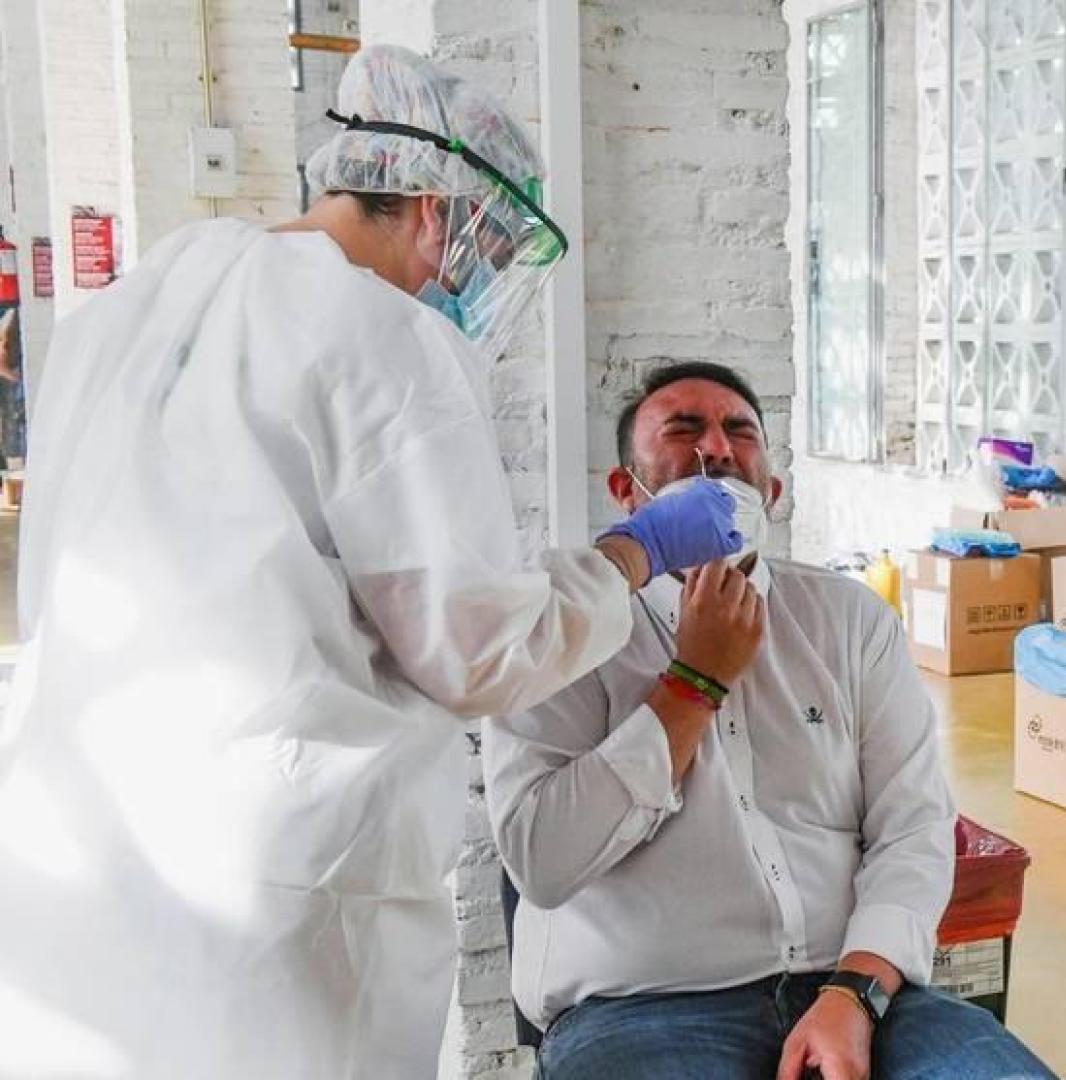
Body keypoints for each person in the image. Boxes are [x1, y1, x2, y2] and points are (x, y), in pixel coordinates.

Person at [0, 46, 741, 1079]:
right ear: (434, 210)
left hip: (75, 855)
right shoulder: (380, 329)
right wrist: (634, 551)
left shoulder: (132, 307)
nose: (460, 288)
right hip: (267, 889)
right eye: (473, 255)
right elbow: (478, 649)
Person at [484, 362, 1057, 1080]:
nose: (716, 449)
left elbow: (912, 828)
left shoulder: (848, 623)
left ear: (773, 493)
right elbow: (542, 859)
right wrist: (694, 683)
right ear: (626, 491)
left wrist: (857, 989)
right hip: (643, 1009)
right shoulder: (564, 631)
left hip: (859, 991)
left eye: (739, 432)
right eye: (684, 429)